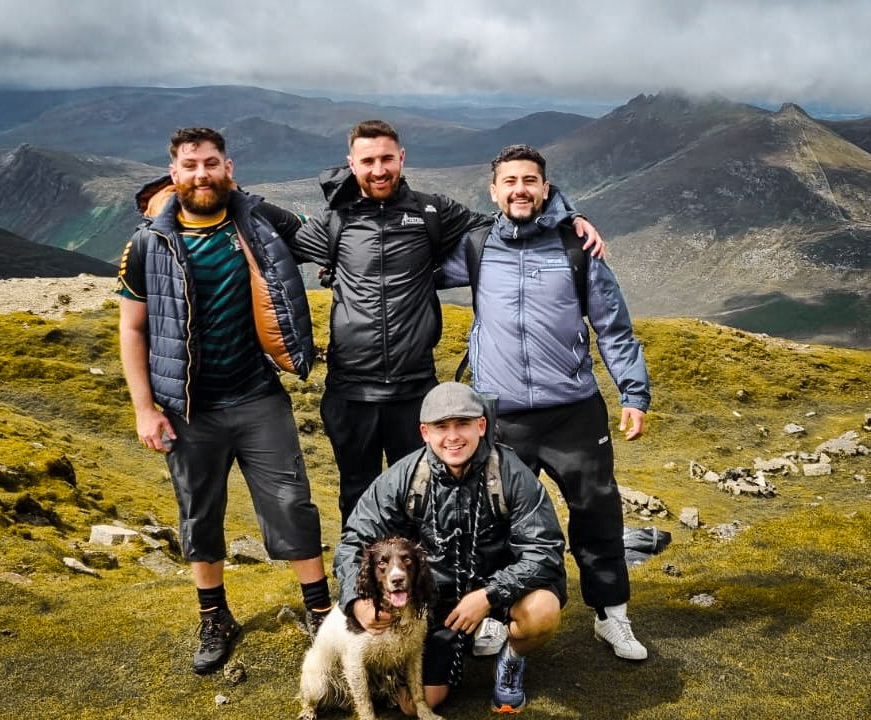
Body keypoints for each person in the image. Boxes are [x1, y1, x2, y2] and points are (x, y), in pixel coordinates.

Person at [286, 119, 604, 526]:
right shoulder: (333, 223)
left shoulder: (431, 211)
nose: (379, 169)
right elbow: (279, 242)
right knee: (357, 494)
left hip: (415, 389)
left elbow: (506, 220)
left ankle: (422, 582)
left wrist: (568, 215)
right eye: (368, 161)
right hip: (350, 391)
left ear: (401, 157)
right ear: (351, 163)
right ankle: (362, 582)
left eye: (387, 158)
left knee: (423, 492)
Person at [116, 127, 331, 674]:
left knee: (291, 503)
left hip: (259, 396)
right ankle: (215, 618)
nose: (201, 174)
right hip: (188, 409)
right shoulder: (148, 242)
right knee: (199, 513)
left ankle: (320, 612)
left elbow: (325, 238)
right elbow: (132, 328)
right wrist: (145, 408)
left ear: (228, 168)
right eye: (190, 166)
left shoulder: (261, 219)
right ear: (174, 172)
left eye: (211, 164)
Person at [436, 144, 652, 661]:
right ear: (493, 191)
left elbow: (613, 326)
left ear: (546, 188)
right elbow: (407, 265)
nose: (520, 189)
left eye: (530, 180)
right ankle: (493, 617)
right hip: (501, 412)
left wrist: (633, 392)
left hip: (573, 409)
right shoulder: (476, 245)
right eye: (510, 181)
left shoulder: (578, 248)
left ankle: (612, 616)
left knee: (596, 512)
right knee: (492, 521)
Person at [334, 382, 567, 714]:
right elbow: (354, 542)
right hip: (434, 600)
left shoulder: (511, 474)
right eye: (442, 427)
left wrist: (489, 595)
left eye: (463, 424)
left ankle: (511, 658)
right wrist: (356, 603)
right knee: (416, 706)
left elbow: (544, 550)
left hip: (499, 587)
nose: (453, 436)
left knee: (542, 611)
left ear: (481, 426)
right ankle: (441, 650)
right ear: (425, 432)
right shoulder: (405, 477)